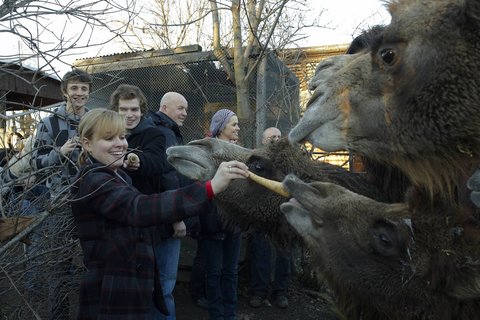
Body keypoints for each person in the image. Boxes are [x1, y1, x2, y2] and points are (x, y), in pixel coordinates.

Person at [70, 108, 249, 319]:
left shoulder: (119, 176)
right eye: (109, 138)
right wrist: (209, 188)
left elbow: (140, 226)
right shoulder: (94, 181)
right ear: (87, 143)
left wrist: (183, 218)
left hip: (131, 285)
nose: (120, 144)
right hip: (112, 291)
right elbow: (139, 208)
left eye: (122, 136)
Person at [110, 85, 181, 320]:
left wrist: (136, 160)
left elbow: (157, 163)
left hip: (155, 222)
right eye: (123, 109)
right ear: (115, 110)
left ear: (142, 110)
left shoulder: (155, 134)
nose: (129, 114)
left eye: (134, 109)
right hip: (123, 226)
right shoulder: (109, 137)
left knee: (162, 288)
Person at [32, 68, 92, 319]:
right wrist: (60, 152)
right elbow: (35, 163)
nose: (79, 93)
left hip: (93, 200)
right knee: (60, 265)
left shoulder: (95, 120)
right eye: (74, 88)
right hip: (61, 203)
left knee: (94, 263)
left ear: (89, 93)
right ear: (65, 90)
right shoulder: (48, 123)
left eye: (84, 89)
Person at [147, 91, 199, 318]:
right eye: (181, 108)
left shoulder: (156, 128)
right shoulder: (165, 133)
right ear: (165, 108)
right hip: (166, 219)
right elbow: (168, 176)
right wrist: (177, 217)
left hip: (155, 215)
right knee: (165, 283)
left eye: (186, 109)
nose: (185, 113)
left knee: (156, 282)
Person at [200, 108, 242, 320]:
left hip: (233, 224)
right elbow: (201, 184)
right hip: (212, 222)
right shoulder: (207, 150)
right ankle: (217, 315)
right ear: (222, 126)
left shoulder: (240, 151)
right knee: (214, 272)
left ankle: (230, 314)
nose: (237, 128)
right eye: (233, 124)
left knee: (231, 272)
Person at [248, 127, 291, 309]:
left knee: (284, 255)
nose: (276, 139)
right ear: (264, 141)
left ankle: (280, 292)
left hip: (283, 216)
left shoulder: (289, 161)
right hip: (262, 214)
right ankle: (259, 292)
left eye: (279, 136)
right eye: (272, 136)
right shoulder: (256, 159)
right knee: (261, 253)